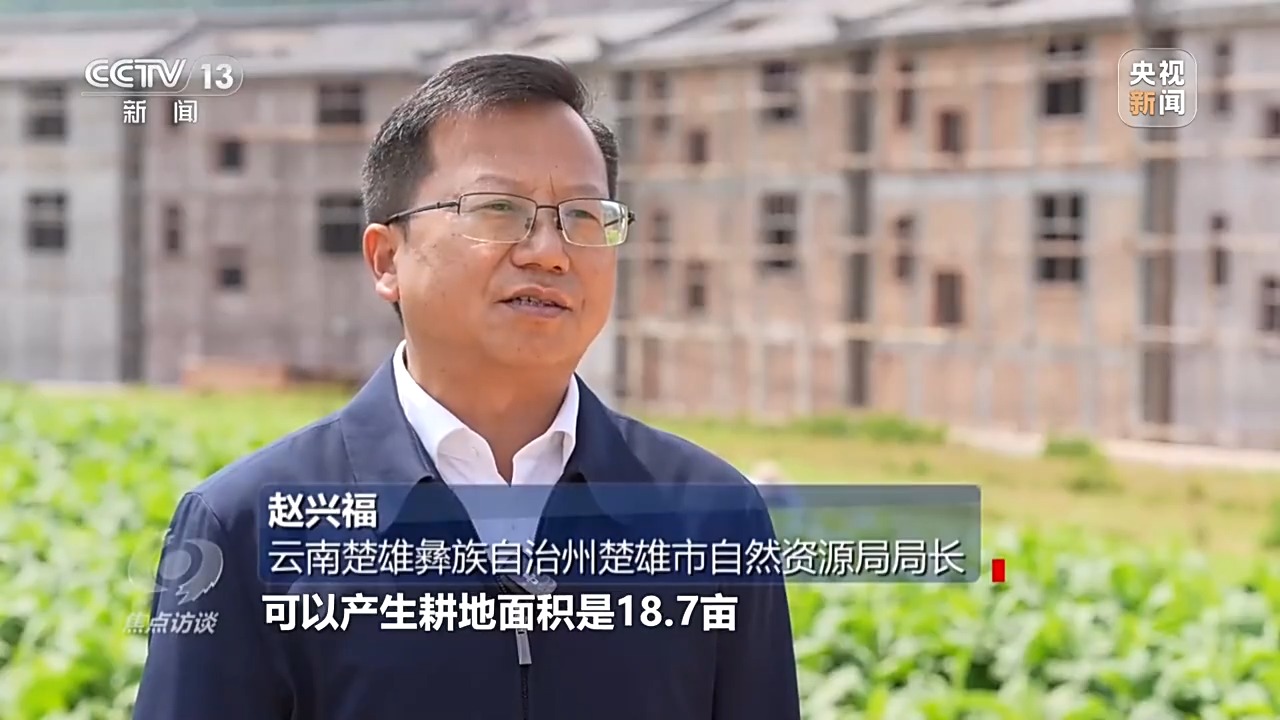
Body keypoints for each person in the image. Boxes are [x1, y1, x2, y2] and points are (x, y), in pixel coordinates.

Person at [132, 54, 800, 720]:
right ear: (387, 259)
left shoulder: (713, 518)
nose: (549, 252)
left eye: (583, 216)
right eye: (498, 210)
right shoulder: (246, 528)